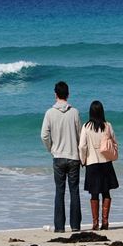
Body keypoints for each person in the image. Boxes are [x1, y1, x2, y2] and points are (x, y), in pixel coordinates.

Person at [40, 81, 83, 233]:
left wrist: (51, 148)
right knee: (74, 191)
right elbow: (80, 136)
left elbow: (44, 135)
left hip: (58, 157)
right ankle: (76, 226)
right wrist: (81, 154)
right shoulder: (75, 112)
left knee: (59, 191)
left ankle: (59, 227)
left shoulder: (50, 113)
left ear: (55, 94)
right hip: (73, 157)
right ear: (68, 94)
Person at [78, 100, 120, 231]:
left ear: (90, 112)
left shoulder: (86, 126)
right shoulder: (107, 125)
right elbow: (115, 143)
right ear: (102, 112)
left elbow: (82, 146)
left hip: (92, 163)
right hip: (106, 163)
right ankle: (105, 222)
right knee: (106, 192)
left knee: (94, 194)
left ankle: (95, 223)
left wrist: (83, 160)